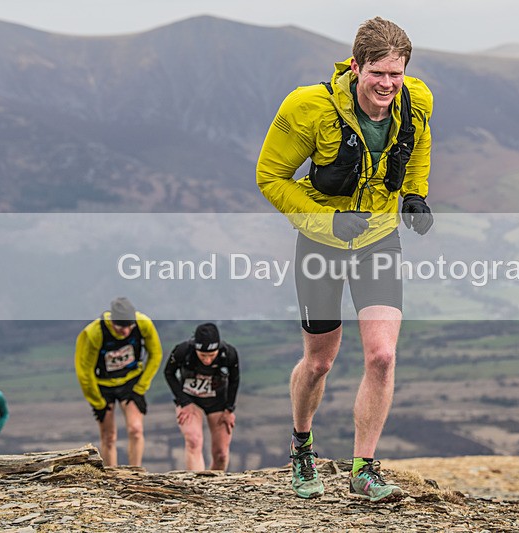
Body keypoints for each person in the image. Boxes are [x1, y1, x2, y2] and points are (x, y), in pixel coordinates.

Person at [256, 17, 434, 502]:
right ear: (355, 67)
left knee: (382, 356)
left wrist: (414, 195)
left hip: (378, 240)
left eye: (396, 74)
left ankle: (364, 470)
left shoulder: (417, 100)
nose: (387, 85)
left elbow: (418, 145)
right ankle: (302, 447)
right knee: (319, 362)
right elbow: (270, 177)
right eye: (377, 73)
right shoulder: (308, 107)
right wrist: (327, 222)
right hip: (322, 243)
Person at [74, 296, 162, 467]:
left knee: (136, 430)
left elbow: (156, 354)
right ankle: (111, 474)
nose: (126, 332)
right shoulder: (94, 333)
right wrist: (98, 403)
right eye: (121, 327)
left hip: (131, 381)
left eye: (130, 326)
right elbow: (84, 371)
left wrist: (141, 387)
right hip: (103, 385)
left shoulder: (143, 324)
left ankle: (136, 472)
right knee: (109, 436)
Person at [163, 322, 240, 471]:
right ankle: (196, 482)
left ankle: (215, 483)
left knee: (221, 454)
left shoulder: (229, 353)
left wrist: (229, 409)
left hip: (218, 402)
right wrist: (184, 402)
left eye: (211, 355)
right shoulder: (183, 350)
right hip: (191, 400)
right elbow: (169, 373)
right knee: (193, 441)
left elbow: (234, 380)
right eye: (203, 355)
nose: (207, 360)